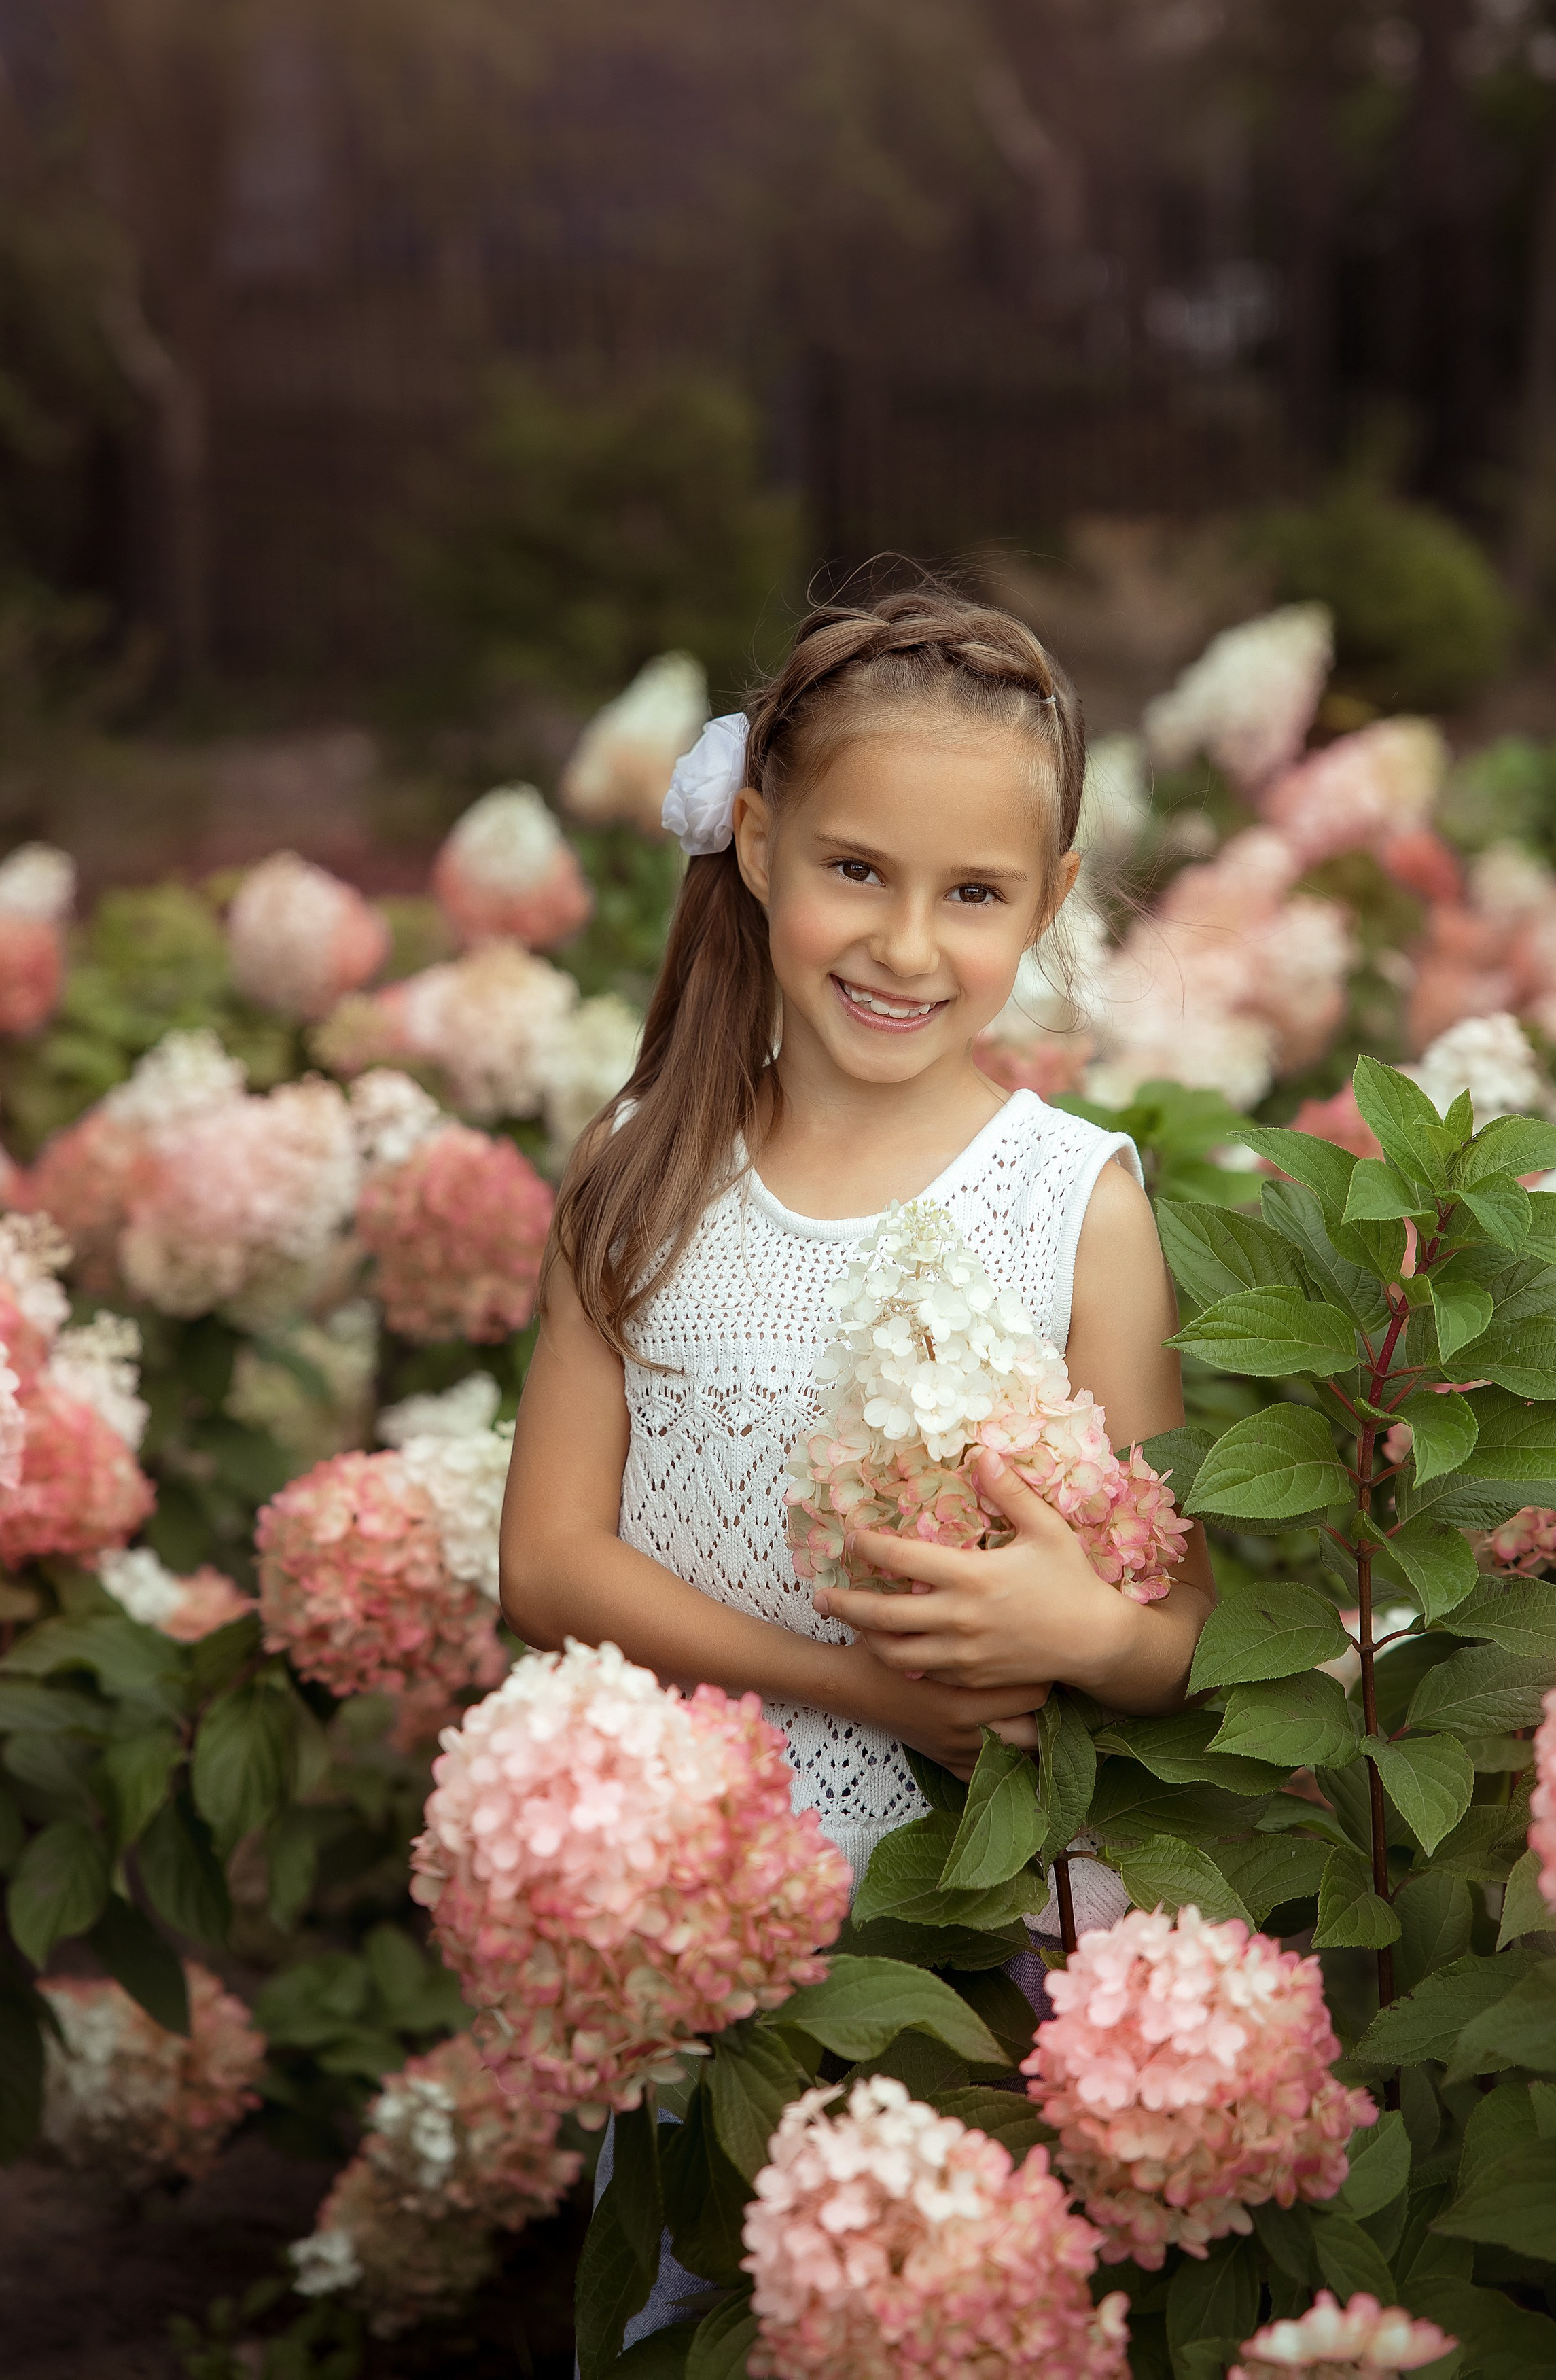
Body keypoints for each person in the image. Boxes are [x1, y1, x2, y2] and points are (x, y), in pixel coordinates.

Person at [500, 584, 1216, 2339]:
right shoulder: (640, 1171)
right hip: (697, 1939)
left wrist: (1087, 1628)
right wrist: (858, 1687)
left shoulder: (1074, 1205)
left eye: (973, 895)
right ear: (755, 844)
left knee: (937, 2314)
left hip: (976, 1931)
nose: (905, 945)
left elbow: (1190, 1618)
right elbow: (547, 1565)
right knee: (707, 2311)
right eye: (857, 872)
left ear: (1046, 906)